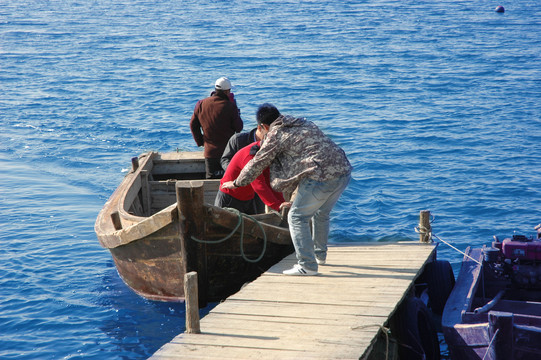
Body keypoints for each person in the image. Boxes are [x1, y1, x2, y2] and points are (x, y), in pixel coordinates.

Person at [222, 103, 352, 276]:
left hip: (319, 177)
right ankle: (320, 256)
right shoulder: (302, 122)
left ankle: (307, 265)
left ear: (262, 126)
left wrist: (237, 183)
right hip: (343, 171)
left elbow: (257, 162)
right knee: (322, 213)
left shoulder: (275, 134)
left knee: (297, 217)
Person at [190, 77, 243, 179]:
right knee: (229, 181)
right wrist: (237, 111)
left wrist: (201, 142)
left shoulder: (201, 104)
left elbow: (193, 125)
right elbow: (239, 127)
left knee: (211, 182)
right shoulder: (230, 106)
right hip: (228, 153)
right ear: (227, 91)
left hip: (210, 153)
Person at [215, 140, 287, 215]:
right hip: (230, 198)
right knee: (225, 226)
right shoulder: (251, 156)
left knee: (252, 225)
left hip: (248, 198)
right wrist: (278, 205)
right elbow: (259, 184)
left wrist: (282, 203)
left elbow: (270, 180)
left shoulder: (266, 154)